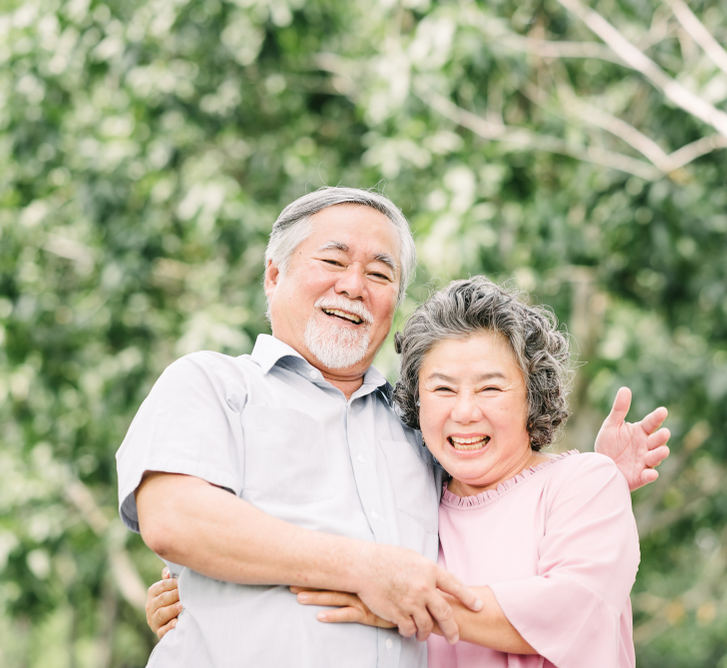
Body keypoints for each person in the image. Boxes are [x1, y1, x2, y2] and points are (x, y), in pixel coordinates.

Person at [120, 188, 669, 667]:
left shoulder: (415, 430)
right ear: (274, 273)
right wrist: (363, 570)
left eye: (380, 273)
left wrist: (593, 477)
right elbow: (174, 519)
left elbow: (504, 492)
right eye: (333, 261)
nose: (354, 285)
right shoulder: (212, 384)